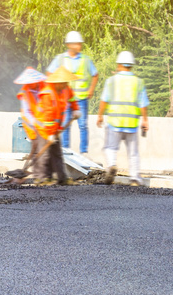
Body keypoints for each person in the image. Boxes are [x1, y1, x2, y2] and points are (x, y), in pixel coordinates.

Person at [97, 51, 149, 186]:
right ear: (131, 65)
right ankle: (135, 179)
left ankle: (112, 165)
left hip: (115, 122)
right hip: (132, 124)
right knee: (133, 153)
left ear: (119, 65)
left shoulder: (111, 81)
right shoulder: (138, 82)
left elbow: (104, 100)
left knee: (110, 148)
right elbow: (143, 103)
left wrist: (100, 116)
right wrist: (145, 120)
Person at [46, 31, 98, 154]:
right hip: (65, 99)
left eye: (80, 44)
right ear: (69, 45)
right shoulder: (60, 59)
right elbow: (49, 74)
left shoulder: (86, 60)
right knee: (65, 125)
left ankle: (83, 152)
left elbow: (95, 75)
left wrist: (91, 89)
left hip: (81, 99)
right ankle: (65, 151)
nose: (79, 46)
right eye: (77, 44)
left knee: (83, 125)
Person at [33, 68, 79, 185]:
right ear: (57, 82)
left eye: (66, 82)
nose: (66, 84)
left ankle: (62, 178)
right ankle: (42, 179)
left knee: (57, 153)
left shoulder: (66, 89)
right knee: (45, 154)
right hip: (44, 128)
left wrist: (75, 109)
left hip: (55, 128)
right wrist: (50, 134)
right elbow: (48, 117)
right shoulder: (47, 94)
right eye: (63, 82)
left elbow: (72, 99)